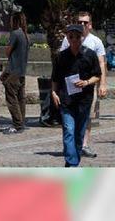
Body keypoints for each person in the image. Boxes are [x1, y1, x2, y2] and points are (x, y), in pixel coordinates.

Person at [52, 24, 102, 167]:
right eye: (71, 36)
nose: (74, 39)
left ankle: (73, 161)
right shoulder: (61, 56)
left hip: (83, 101)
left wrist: (86, 82)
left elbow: (97, 75)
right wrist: (54, 92)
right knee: (68, 131)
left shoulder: (90, 54)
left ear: (82, 37)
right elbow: (55, 78)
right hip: (66, 100)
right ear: (67, 38)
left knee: (79, 134)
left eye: (77, 37)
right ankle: (71, 163)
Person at [58, 11, 107, 158]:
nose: (82, 24)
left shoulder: (96, 41)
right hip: (70, 87)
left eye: (85, 22)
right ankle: (72, 143)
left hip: (88, 86)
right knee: (69, 116)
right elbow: (61, 61)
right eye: (79, 22)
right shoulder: (68, 39)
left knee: (87, 115)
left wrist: (102, 84)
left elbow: (101, 64)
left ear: (90, 25)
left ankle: (84, 144)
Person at [1, 12, 30, 135]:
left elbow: (8, 51)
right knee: (20, 98)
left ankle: (17, 124)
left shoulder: (15, 33)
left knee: (11, 99)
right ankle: (21, 122)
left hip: (13, 71)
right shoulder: (25, 35)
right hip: (22, 71)